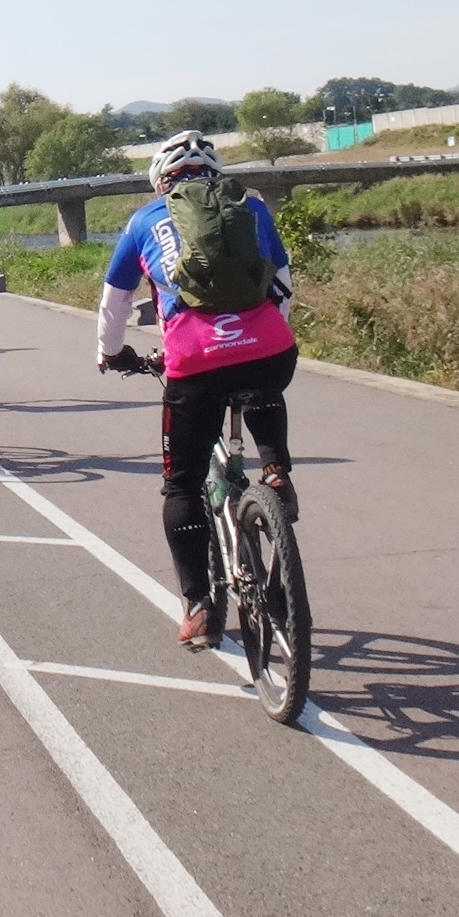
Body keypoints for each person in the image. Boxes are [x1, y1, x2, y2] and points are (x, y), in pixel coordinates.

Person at [97, 130, 298, 651]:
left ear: (160, 180)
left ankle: (199, 605)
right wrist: (261, 333)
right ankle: (275, 470)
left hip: (196, 362)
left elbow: (116, 302)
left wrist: (111, 353)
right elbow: (282, 283)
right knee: (262, 383)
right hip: (270, 351)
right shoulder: (251, 206)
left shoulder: (143, 221)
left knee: (182, 487)